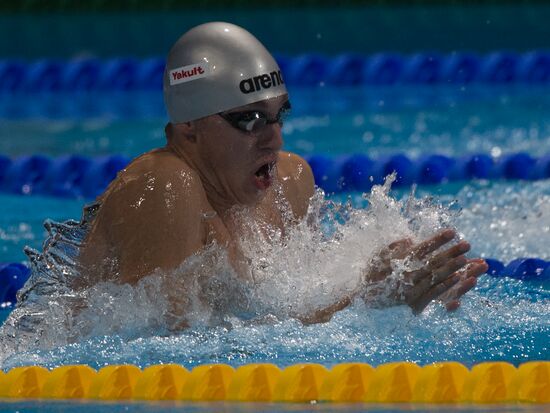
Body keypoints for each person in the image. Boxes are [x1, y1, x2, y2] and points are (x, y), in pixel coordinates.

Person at [73, 22, 487, 326]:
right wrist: (364, 305)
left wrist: (402, 290)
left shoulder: (287, 183)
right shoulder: (165, 187)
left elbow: (287, 315)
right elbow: (166, 357)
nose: (275, 139)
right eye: (249, 120)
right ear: (189, 129)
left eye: (278, 115)